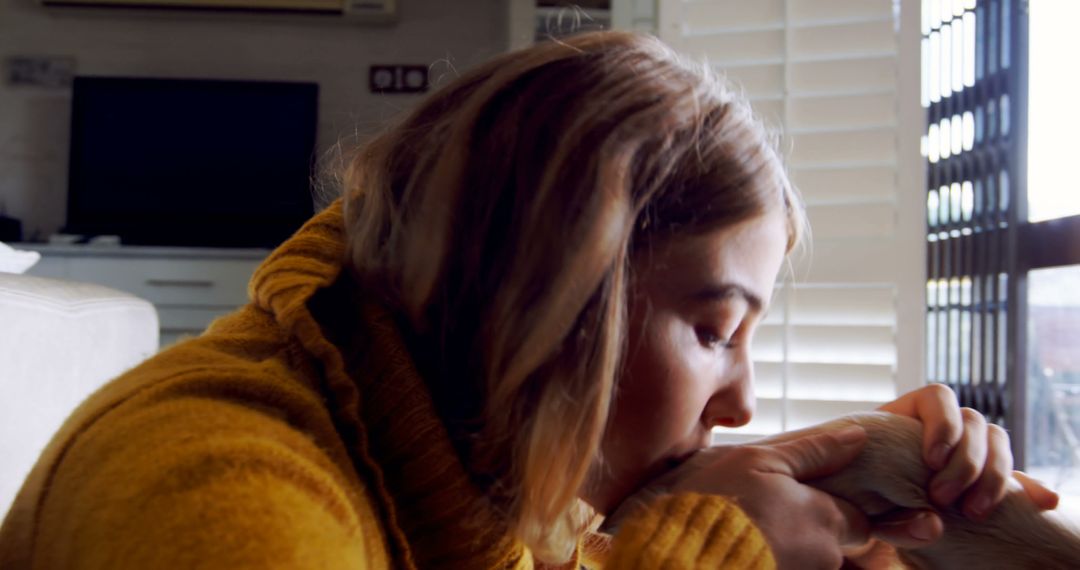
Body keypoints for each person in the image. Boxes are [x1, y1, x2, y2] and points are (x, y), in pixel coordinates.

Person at [0, 31, 1058, 569]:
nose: (737, 404)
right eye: (715, 330)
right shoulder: (222, 493)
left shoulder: (445, 455)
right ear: (555, 288)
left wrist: (860, 469)